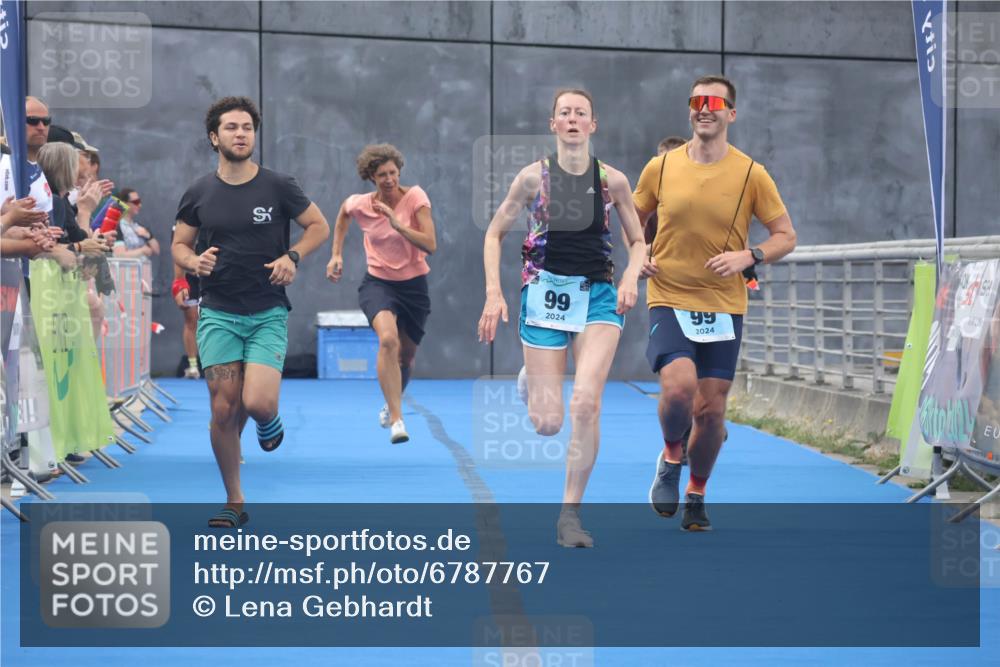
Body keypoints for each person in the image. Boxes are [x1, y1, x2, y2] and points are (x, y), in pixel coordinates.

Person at [478, 88, 646, 547]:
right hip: (545, 295)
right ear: (553, 125)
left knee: (586, 404)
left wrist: (632, 277)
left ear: (593, 125)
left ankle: (570, 516)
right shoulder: (532, 179)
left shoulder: (613, 180)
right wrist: (494, 293)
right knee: (548, 423)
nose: (573, 119)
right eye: (564, 113)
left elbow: (638, 240)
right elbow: (494, 234)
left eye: (581, 114)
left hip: (598, 297)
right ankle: (531, 379)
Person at [634, 75, 797, 531]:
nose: (704, 109)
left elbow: (786, 235)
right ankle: (670, 458)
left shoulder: (750, 174)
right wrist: (638, 254)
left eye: (714, 102)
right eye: (696, 102)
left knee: (711, 411)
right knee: (680, 387)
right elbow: (631, 217)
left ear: (731, 113)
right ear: (690, 110)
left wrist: (750, 254)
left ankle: (697, 493)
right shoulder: (661, 167)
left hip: (724, 305)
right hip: (668, 294)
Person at [172, 96, 329, 529]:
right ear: (213, 137)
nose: (241, 134)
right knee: (223, 410)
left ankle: (268, 420)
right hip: (219, 313)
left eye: (247, 127)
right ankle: (234, 500)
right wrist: (193, 263)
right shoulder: (199, 192)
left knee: (257, 402)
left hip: (266, 313)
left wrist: (292, 257)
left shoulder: (279, 185)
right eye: (231, 128)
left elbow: (319, 225)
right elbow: (180, 245)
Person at [326, 144, 436, 445]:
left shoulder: (415, 198)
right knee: (388, 339)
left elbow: (430, 244)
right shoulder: (361, 204)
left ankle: (392, 404)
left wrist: (398, 224)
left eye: (393, 173)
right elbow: (343, 214)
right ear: (371, 177)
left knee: (407, 357)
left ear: (399, 172)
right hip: (378, 284)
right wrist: (336, 255)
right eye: (381, 175)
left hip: (414, 286)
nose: (388, 179)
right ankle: (398, 421)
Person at [171, 225, 203, 379]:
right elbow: (177, 254)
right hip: (191, 277)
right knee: (192, 321)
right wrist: (179, 283)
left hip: (216, 275)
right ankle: (193, 366)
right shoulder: (181, 225)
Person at [112, 188, 160, 259]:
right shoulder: (118, 227)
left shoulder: (140, 226)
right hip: (127, 269)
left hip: (142, 269)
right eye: (136, 202)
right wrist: (142, 251)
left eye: (139, 201)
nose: (139, 205)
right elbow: (119, 254)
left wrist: (148, 236)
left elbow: (157, 250)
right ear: (125, 203)